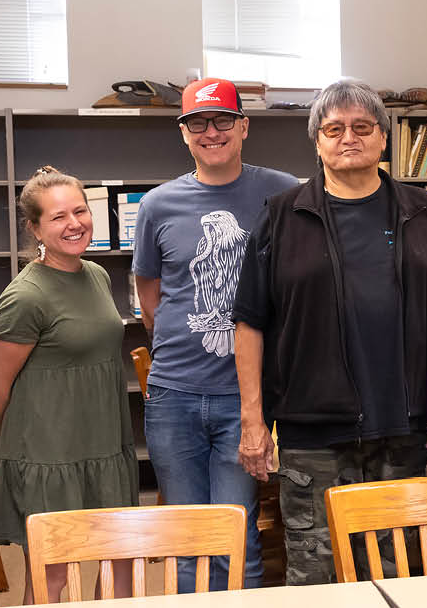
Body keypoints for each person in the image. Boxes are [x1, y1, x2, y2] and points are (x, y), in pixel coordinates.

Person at [233, 78, 427, 585]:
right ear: (317, 141)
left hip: (409, 431)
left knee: (405, 574)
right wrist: (253, 421)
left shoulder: (426, 213)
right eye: (334, 129)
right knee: (317, 577)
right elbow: (249, 321)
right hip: (313, 433)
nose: (348, 138)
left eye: (362, 127)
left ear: (383, 138)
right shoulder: (281, 218)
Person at [131, 78, 297, 591]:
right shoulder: (157, 205)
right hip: (173, 396)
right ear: (183, 133)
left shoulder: (284, 194)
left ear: (243, 126)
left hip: (244, 401)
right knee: (186, 538)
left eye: (223, 120)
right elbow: (151, 298)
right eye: (197, 123)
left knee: (236, 535)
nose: (211, 132)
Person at [0, 166, 139, 603]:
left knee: (119, 562)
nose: (75, 224)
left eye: (80, 211)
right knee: (53, 578)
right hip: (51, 456)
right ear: (34, 228)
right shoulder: (25, 296)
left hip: (105, 446)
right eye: (57, 217)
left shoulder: (97, 275)